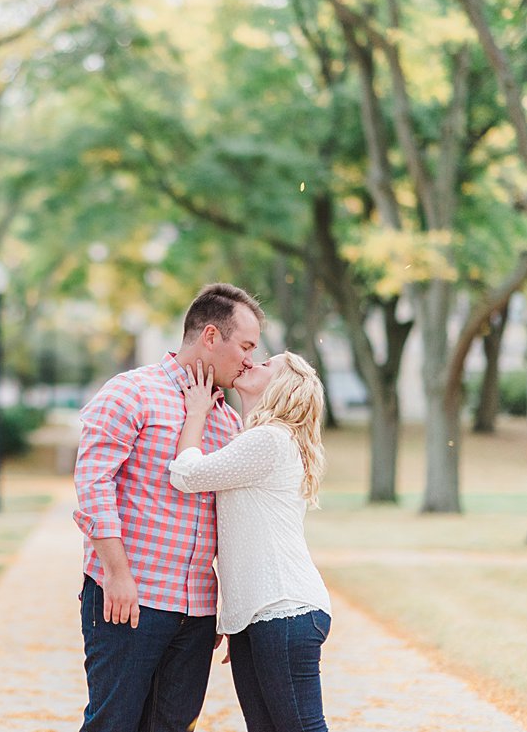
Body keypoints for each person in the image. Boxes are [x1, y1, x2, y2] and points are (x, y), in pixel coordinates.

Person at [73, 283, 265, 732]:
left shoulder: (227, 420)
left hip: (197, 612)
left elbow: (232, 521)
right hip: (130, 601)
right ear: (212, 336)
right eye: (245, 346)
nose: (250, 360)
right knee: (113, 724)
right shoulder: (131, 392)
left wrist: (226, 606)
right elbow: (93, 485)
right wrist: (117, 575)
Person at [170, 352, 331, 732]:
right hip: (258, 616)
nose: (252, 362)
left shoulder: (269, 440)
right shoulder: (256, 439)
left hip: (283, 609)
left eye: (266, 365)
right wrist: (238, 615)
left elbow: (187, 475)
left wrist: (195, 413)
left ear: (281, 388)